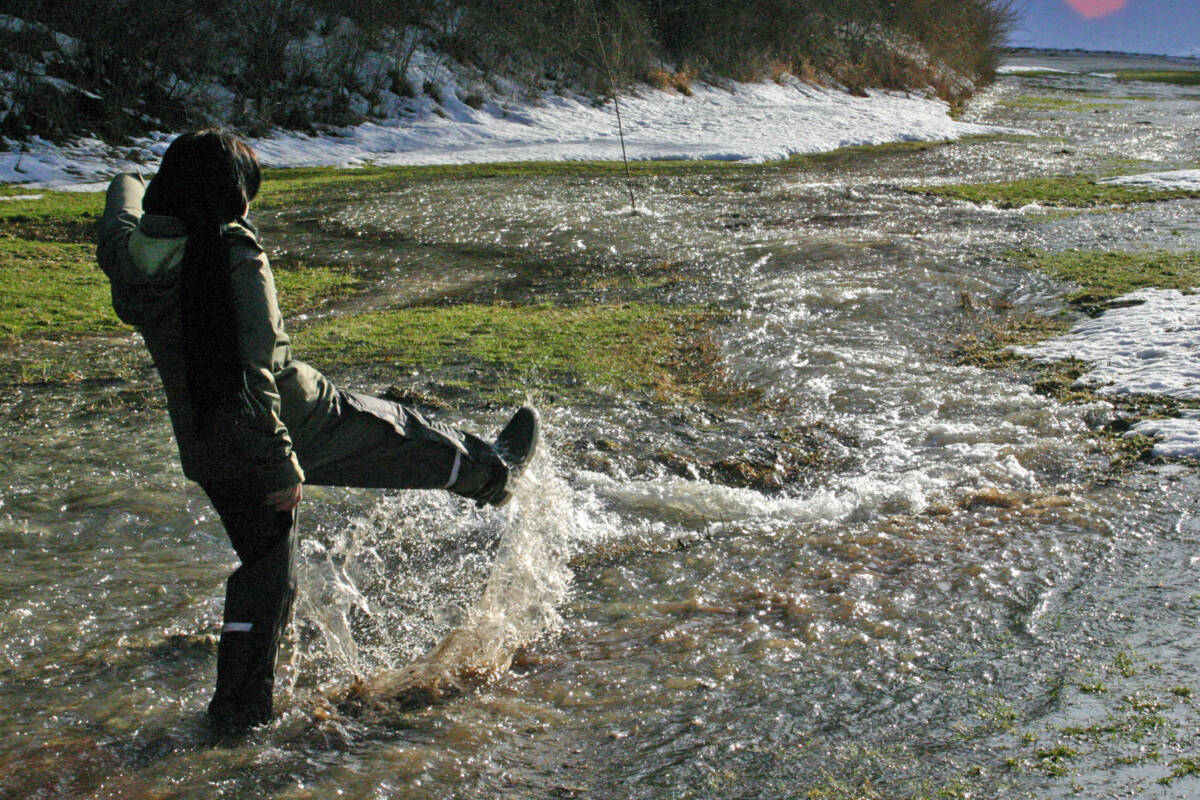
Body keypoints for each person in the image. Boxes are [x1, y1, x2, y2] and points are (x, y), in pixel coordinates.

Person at [95, 130, 539, 734]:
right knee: (399, 433)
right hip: (292, 422)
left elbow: (120, 203)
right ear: (230, 198)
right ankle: (494, 472)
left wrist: (132, 177)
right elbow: (253, 370)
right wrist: (280, 462)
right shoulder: (234, 257)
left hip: (207, 443)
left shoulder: (130, 257)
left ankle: (238, 713)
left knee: (265, 570)